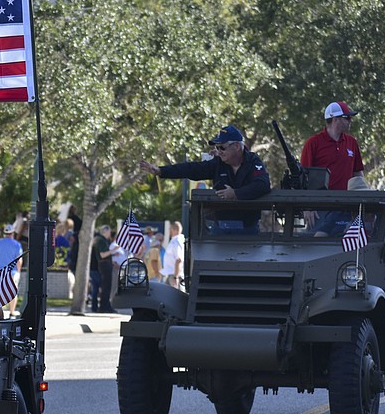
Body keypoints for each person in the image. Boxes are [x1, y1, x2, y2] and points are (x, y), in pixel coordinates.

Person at [140, 125, 271, 233]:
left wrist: (235, 194)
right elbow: (191, 169)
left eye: (222, 147)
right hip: (220, 227)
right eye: (217, 148)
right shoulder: (218, 163)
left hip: (248, 228)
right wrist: (161, 171)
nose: (219, 151)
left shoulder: (253, 161)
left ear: (237, 146)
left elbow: (263, 184)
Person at [301, 101, 363, 190]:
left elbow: (358, 174)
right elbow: (304, 176)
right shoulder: (313, 143)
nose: (350, 121)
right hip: (321, 201)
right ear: (335, 119)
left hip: (348, 200)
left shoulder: (352, 142)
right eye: (347, 117)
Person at [0, 224, 23, 317]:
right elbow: (19, 260)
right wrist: (19, 271)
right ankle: (12, 311)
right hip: (12, 271)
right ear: (13, 233)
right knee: (12, 292)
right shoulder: (17, 245)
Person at [91, 225, 114, 313]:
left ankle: (102, 306)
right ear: (105, 232)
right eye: (109, 232)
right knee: (105, 287)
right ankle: (103, 307)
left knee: (102, 287)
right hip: (104, 265)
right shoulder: (101, 241)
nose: (110, 233)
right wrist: (113, 250)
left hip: (101, 265)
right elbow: (102, 255)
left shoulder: (101, 240)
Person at [161, 222, 185, 291]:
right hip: (171, 274)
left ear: (174, 230)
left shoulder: (177, 241)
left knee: (177, 296)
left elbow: (179, 259)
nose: (169, 232)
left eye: (170, 230)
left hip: (174, 274)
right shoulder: (174, 240)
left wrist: (176, 277)